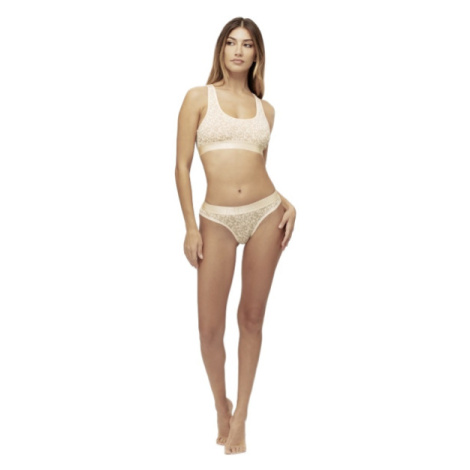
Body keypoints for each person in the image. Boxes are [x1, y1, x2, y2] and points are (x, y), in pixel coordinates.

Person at [175, 17, 296, 455]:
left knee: (251, 318)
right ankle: (220, 405)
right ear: (221, 50)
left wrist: (286, 201)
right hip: (216, 219)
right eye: (231, 42)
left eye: (247, 44)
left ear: (257, 53)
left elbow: (255, 166)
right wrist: (190, 227)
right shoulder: (198, 97)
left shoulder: (267, 111)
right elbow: (181, 167)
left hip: (266, 213)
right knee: (209, 329)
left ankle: (241, 414)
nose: (238, 51)